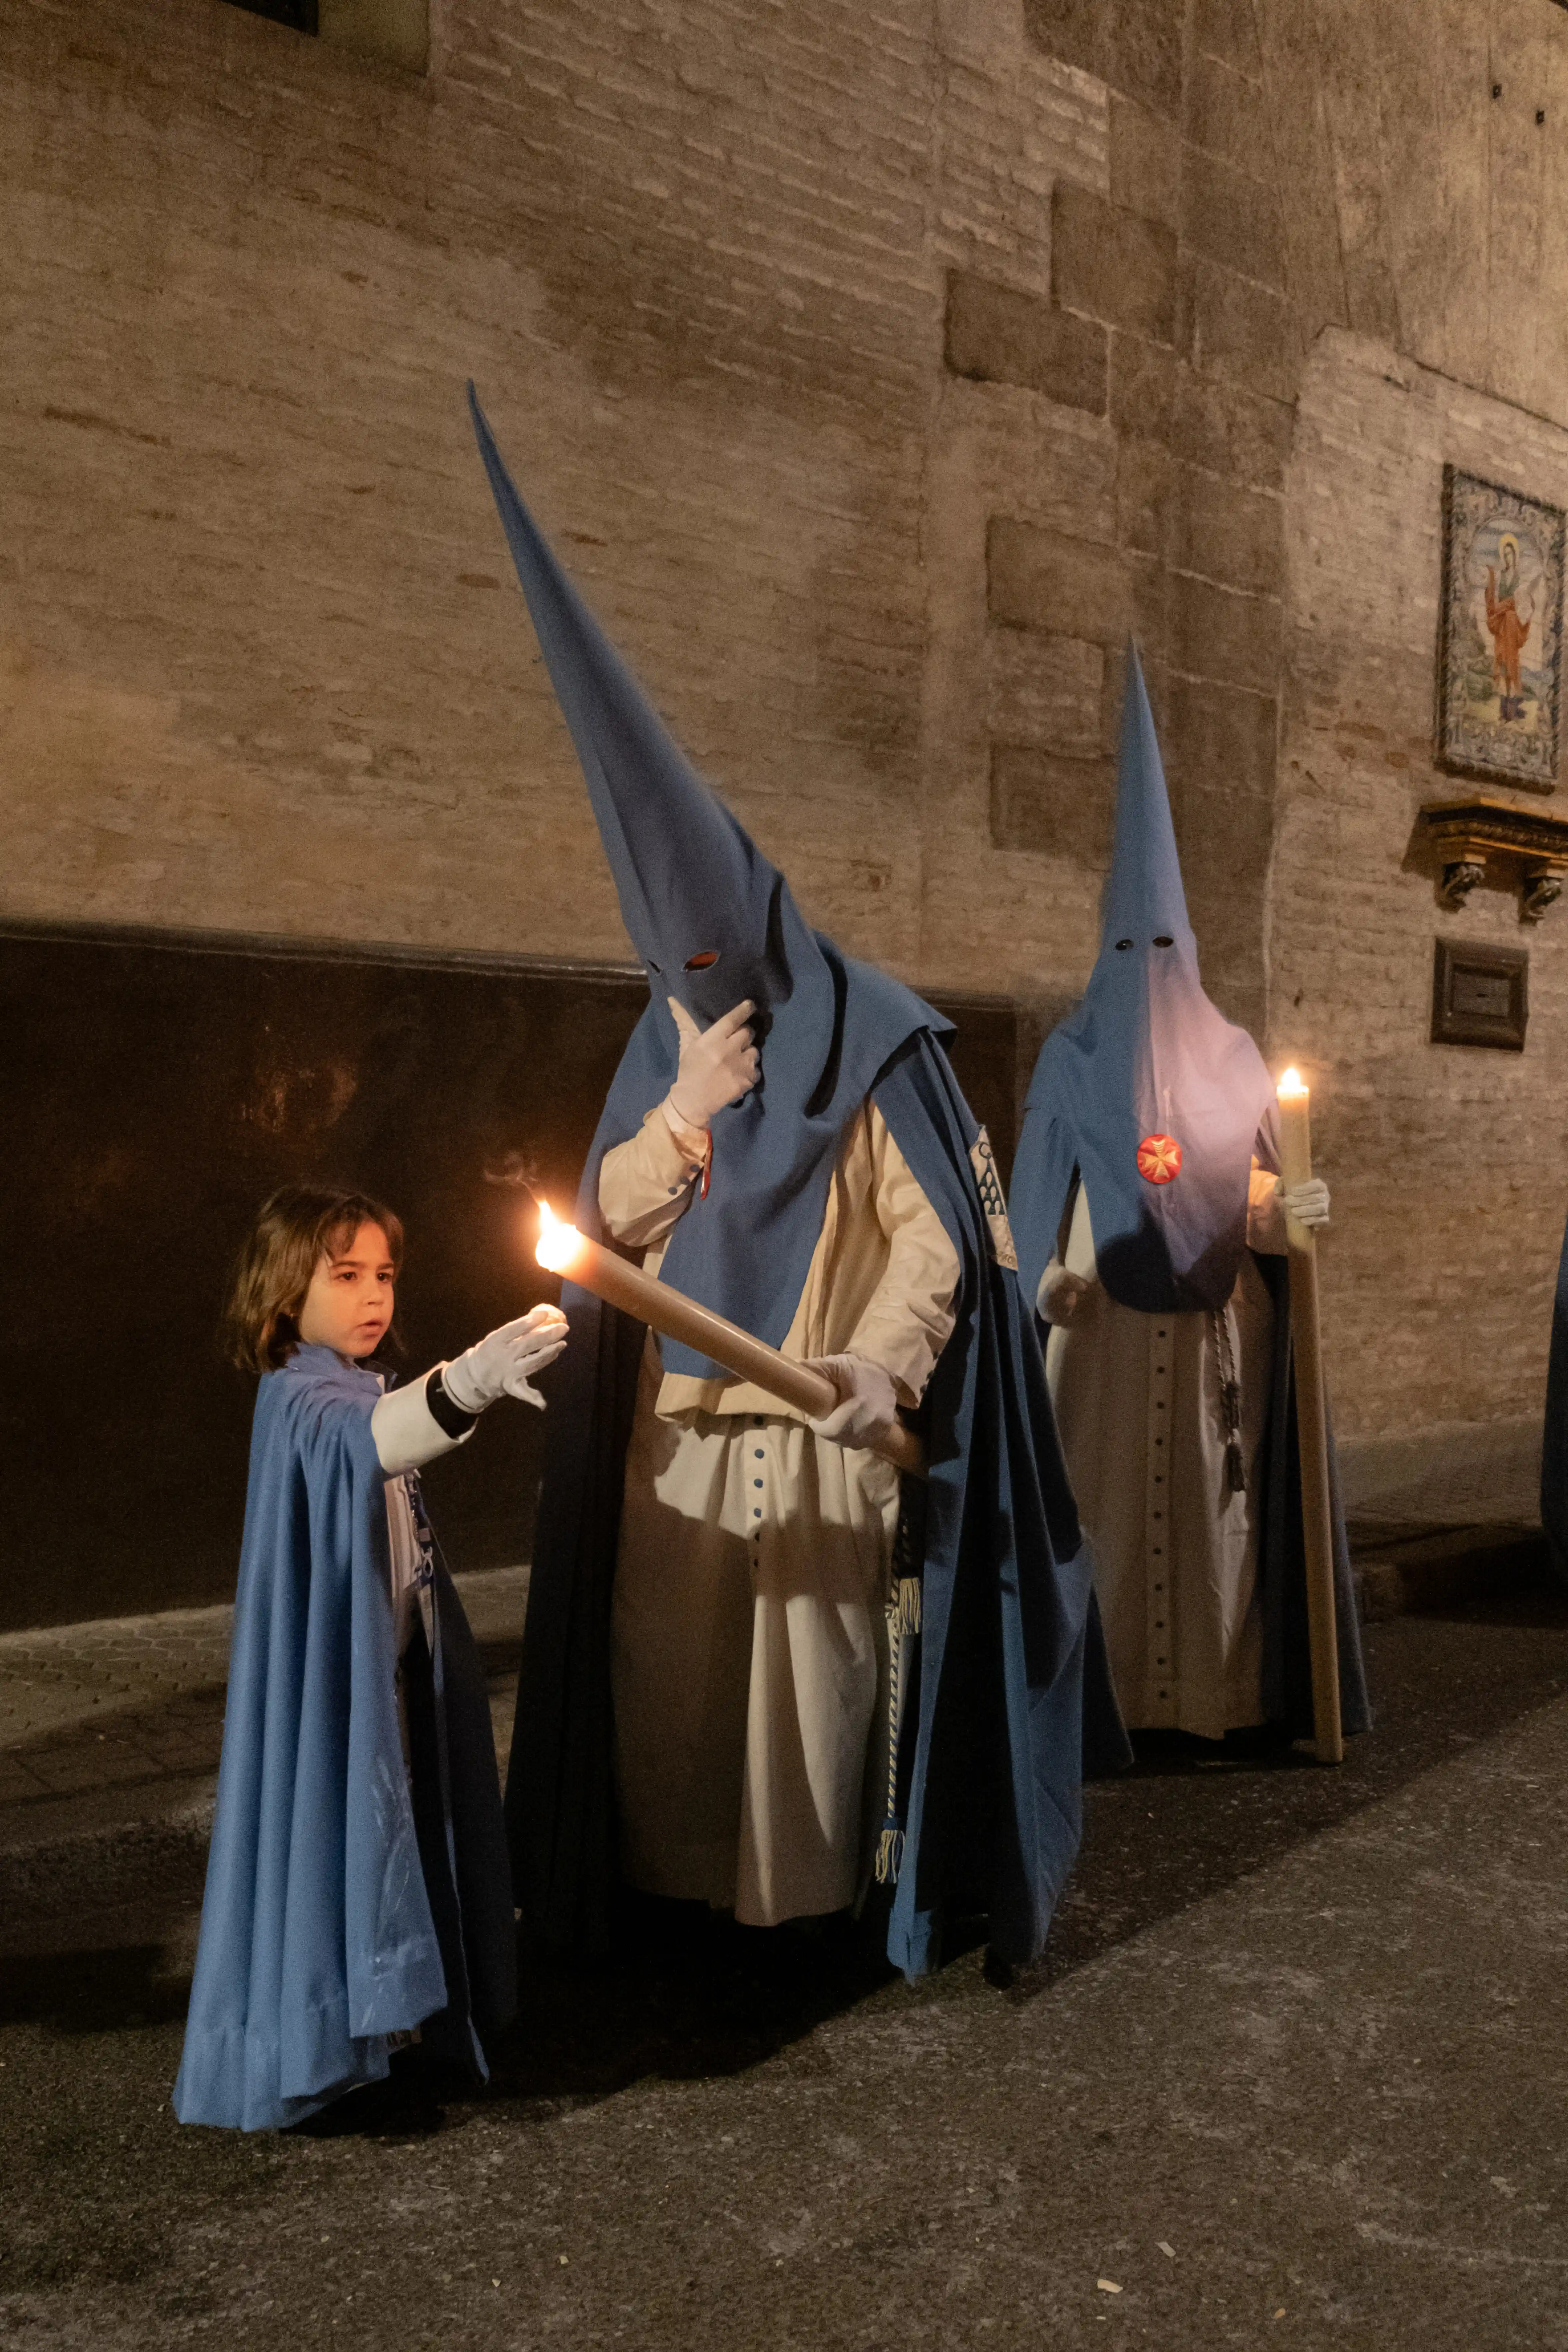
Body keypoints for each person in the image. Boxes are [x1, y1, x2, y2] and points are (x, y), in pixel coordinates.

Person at [469, 387, 1126, 1979]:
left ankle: (800, 1918)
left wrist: (878, 1365)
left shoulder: (883, 1043)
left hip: (822, 1427)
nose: (705, 995)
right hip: (682, 1442)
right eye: (675, 975)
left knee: (803, 1709)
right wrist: (681, 1115)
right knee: (683, 1696)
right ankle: (670, 1905)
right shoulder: (666, 1047)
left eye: (721, 970)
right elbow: (606, 1231)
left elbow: (930, 1245)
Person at [1010, 652, 1370, 1746]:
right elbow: (1033, 1202)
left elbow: (1252, 1190)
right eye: (1130, 946)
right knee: (1104, 1504)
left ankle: (1212, 1697)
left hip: (1218, 1336)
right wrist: (1045, 1281)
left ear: (1191, 949)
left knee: (1220, 1507)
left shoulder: (1234, 1053)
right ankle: (1104, 1700)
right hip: (1102, 1336)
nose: (1145, 966)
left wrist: (1285, 1205)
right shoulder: (1073, 1053)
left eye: (1160, 946)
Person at [173, 1184, 567, 2131]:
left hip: (389, 1663)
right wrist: (463, 1385)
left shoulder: (356, 1386)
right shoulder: (303, 1396)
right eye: (343, 1274)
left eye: (383, 1274)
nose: (372, 1294)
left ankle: (399, 2014)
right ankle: (316, 2037)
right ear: (283, 1291)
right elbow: (369, 1445)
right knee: (340, 1833)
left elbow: (384, 1441)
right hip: (337, 1680)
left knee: (398, 1831)